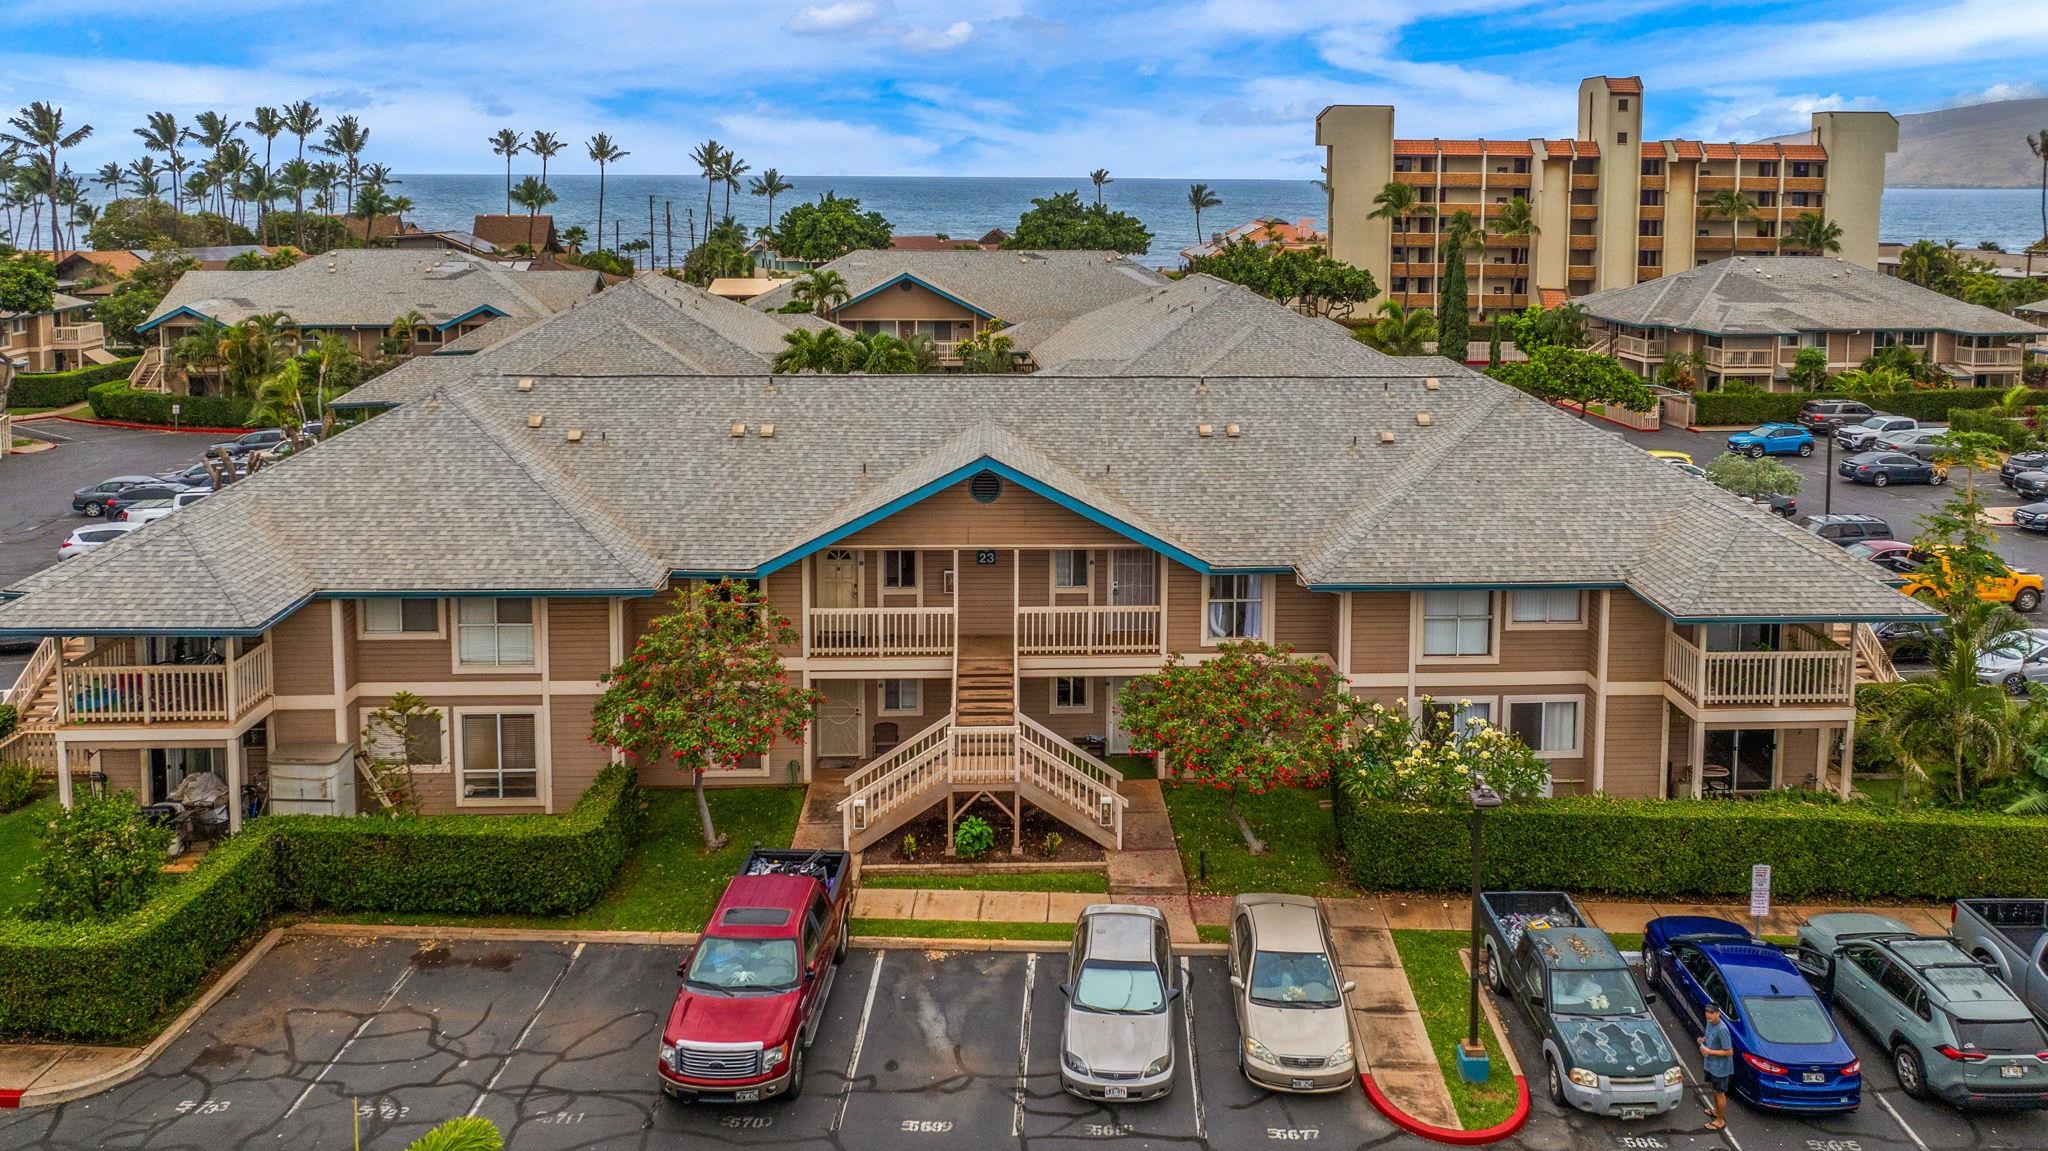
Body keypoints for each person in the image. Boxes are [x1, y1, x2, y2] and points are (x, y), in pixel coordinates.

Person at [1699, 1004, 1734, 1131]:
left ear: (1718, 1013)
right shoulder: (1709, 1022)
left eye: (1711, 1012)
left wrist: (1710, 1051)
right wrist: (1703, 1040)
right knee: (1713, 1088)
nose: (1708, 1015)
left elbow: (1729, 1052)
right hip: (1710, 1064)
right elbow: (1709, 1037)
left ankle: (1720, 1120)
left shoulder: (1722, 1030)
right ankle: (1716, 1111)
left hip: (1721, 1068)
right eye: (1707, 1012)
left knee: (1719, 1092)